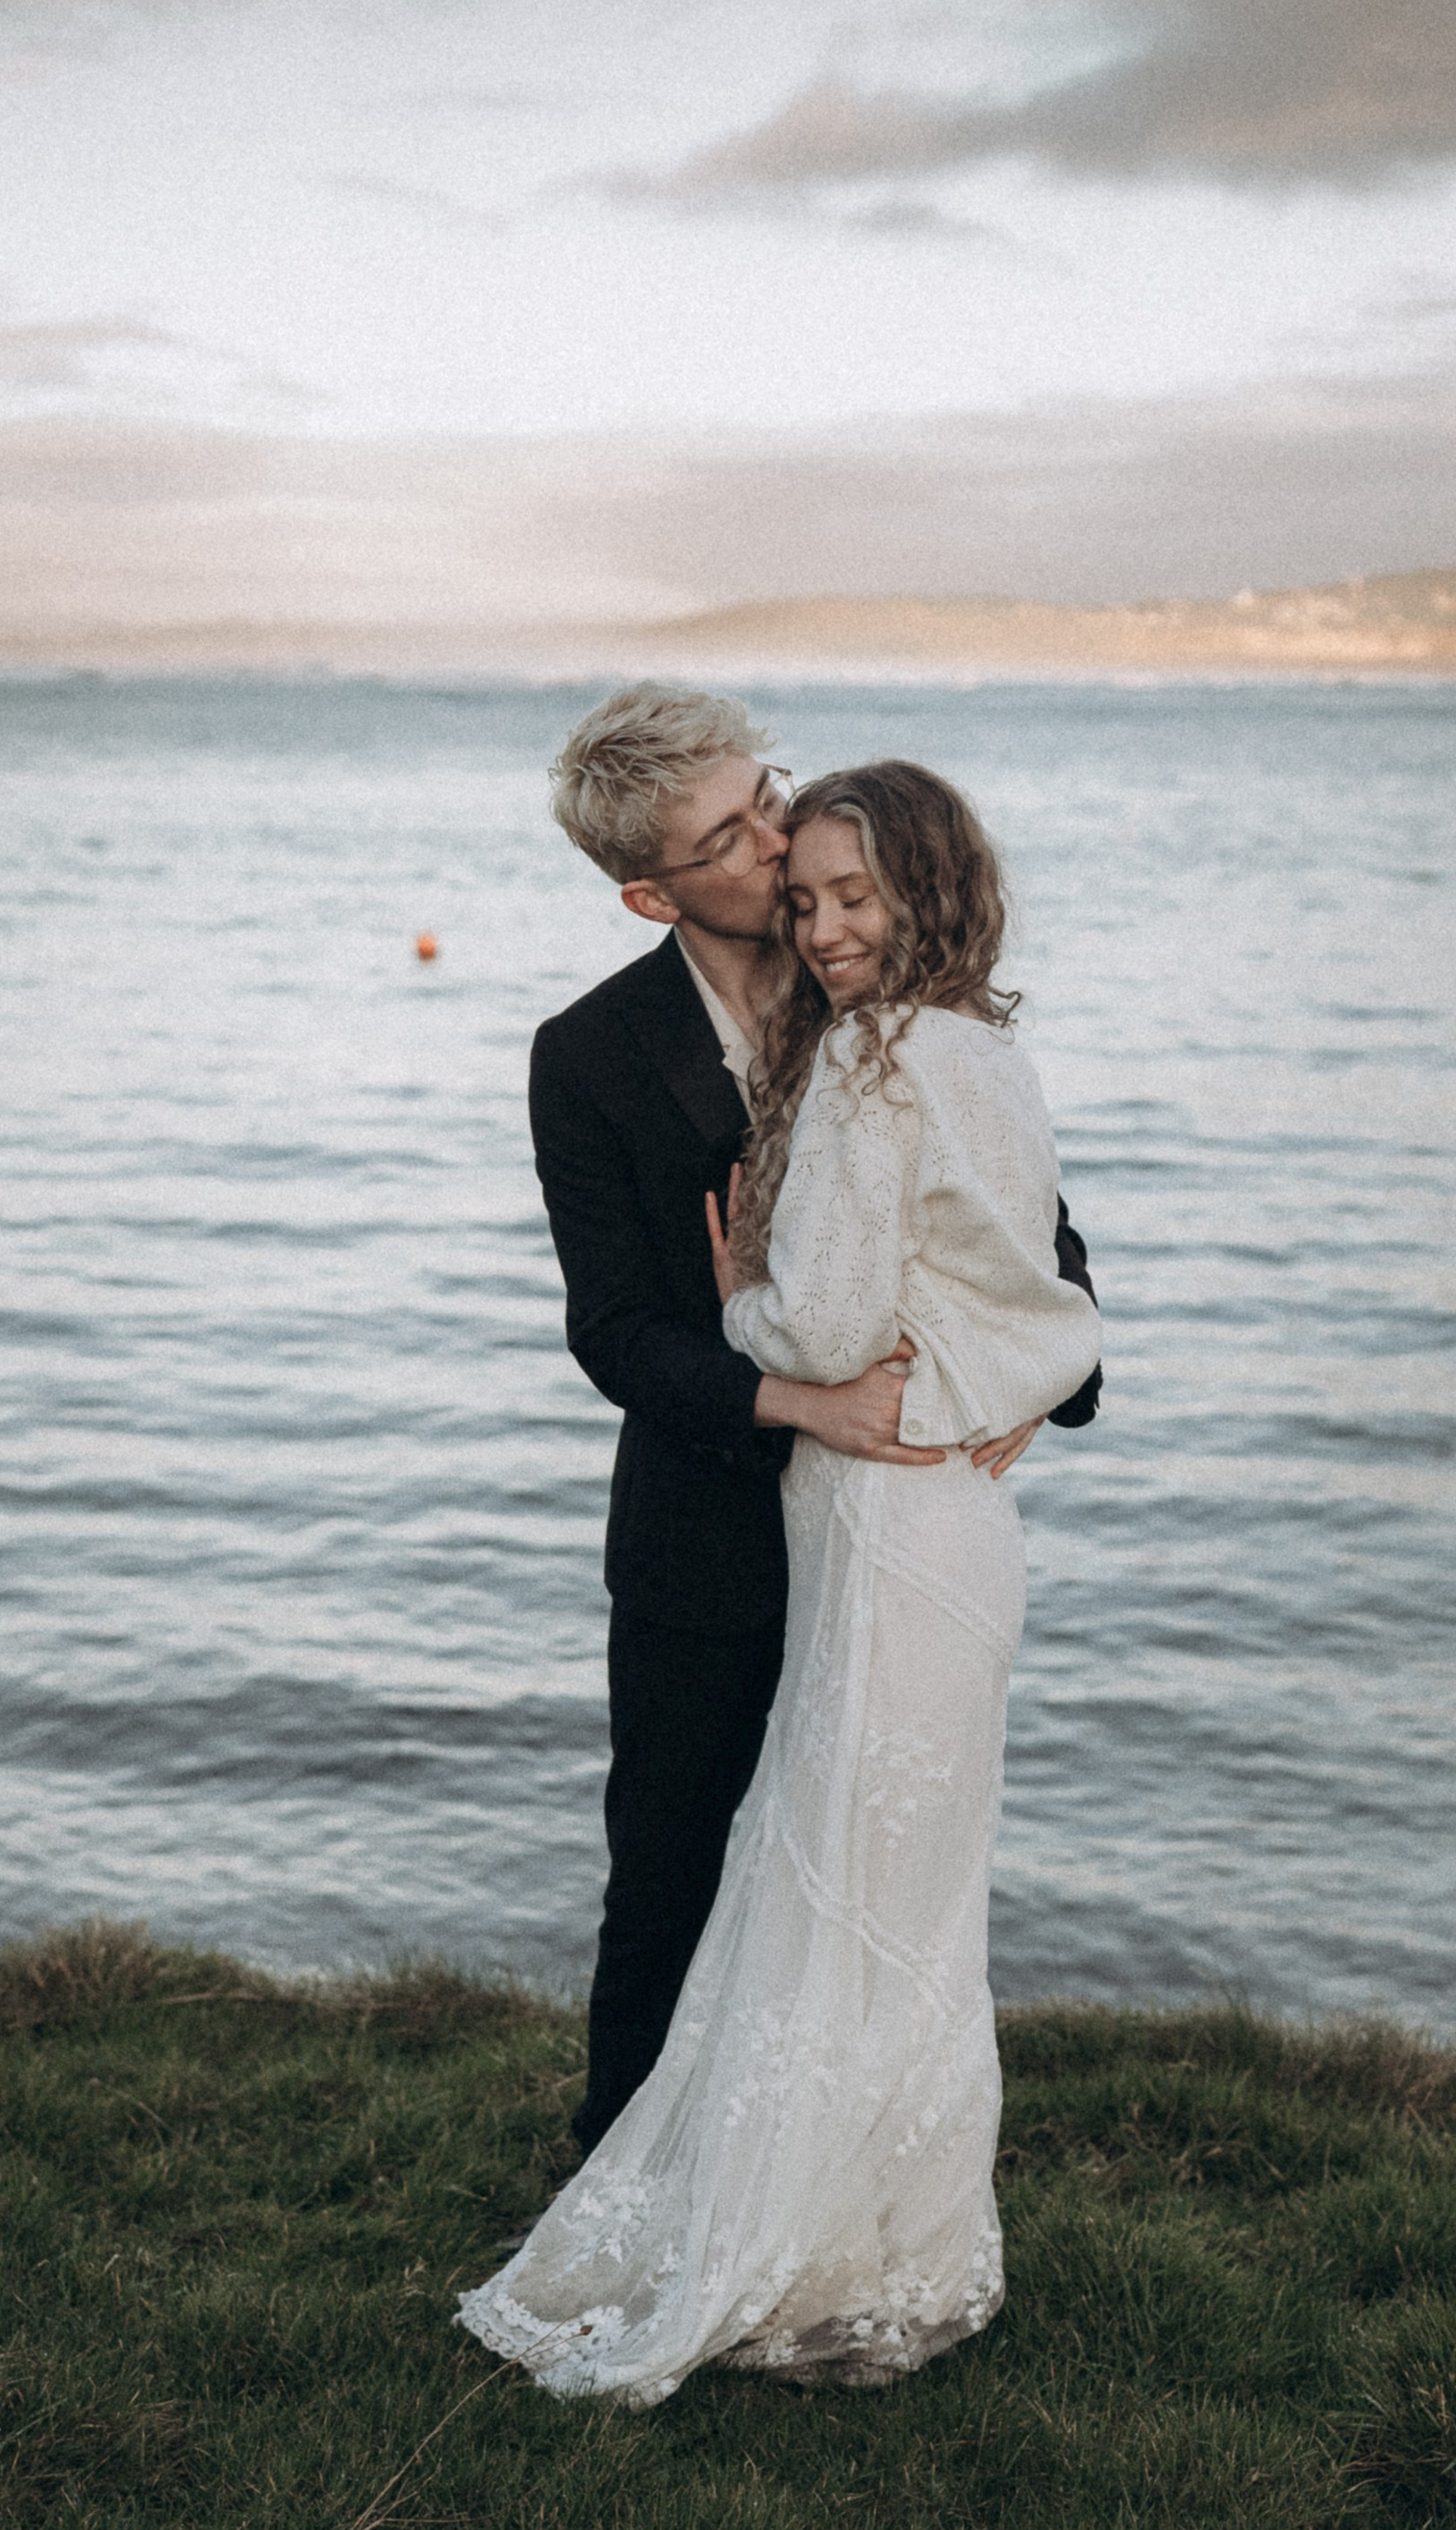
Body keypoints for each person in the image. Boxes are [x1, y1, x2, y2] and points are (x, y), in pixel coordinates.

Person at [462, 759, 1103, 2403]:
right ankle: (643, 2192)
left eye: (769, 810)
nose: (776, 860)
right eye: (738, 848)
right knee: (681, 1886)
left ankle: (831, 2230)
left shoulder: (892, 1027)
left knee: (857, 1897)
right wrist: (796, 1383)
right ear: (654, 892)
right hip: (712, 1538)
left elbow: (1039, 1250)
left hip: (894, 1518)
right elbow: (614, 1333)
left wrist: (1018, 1383)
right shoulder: (591, 1054)